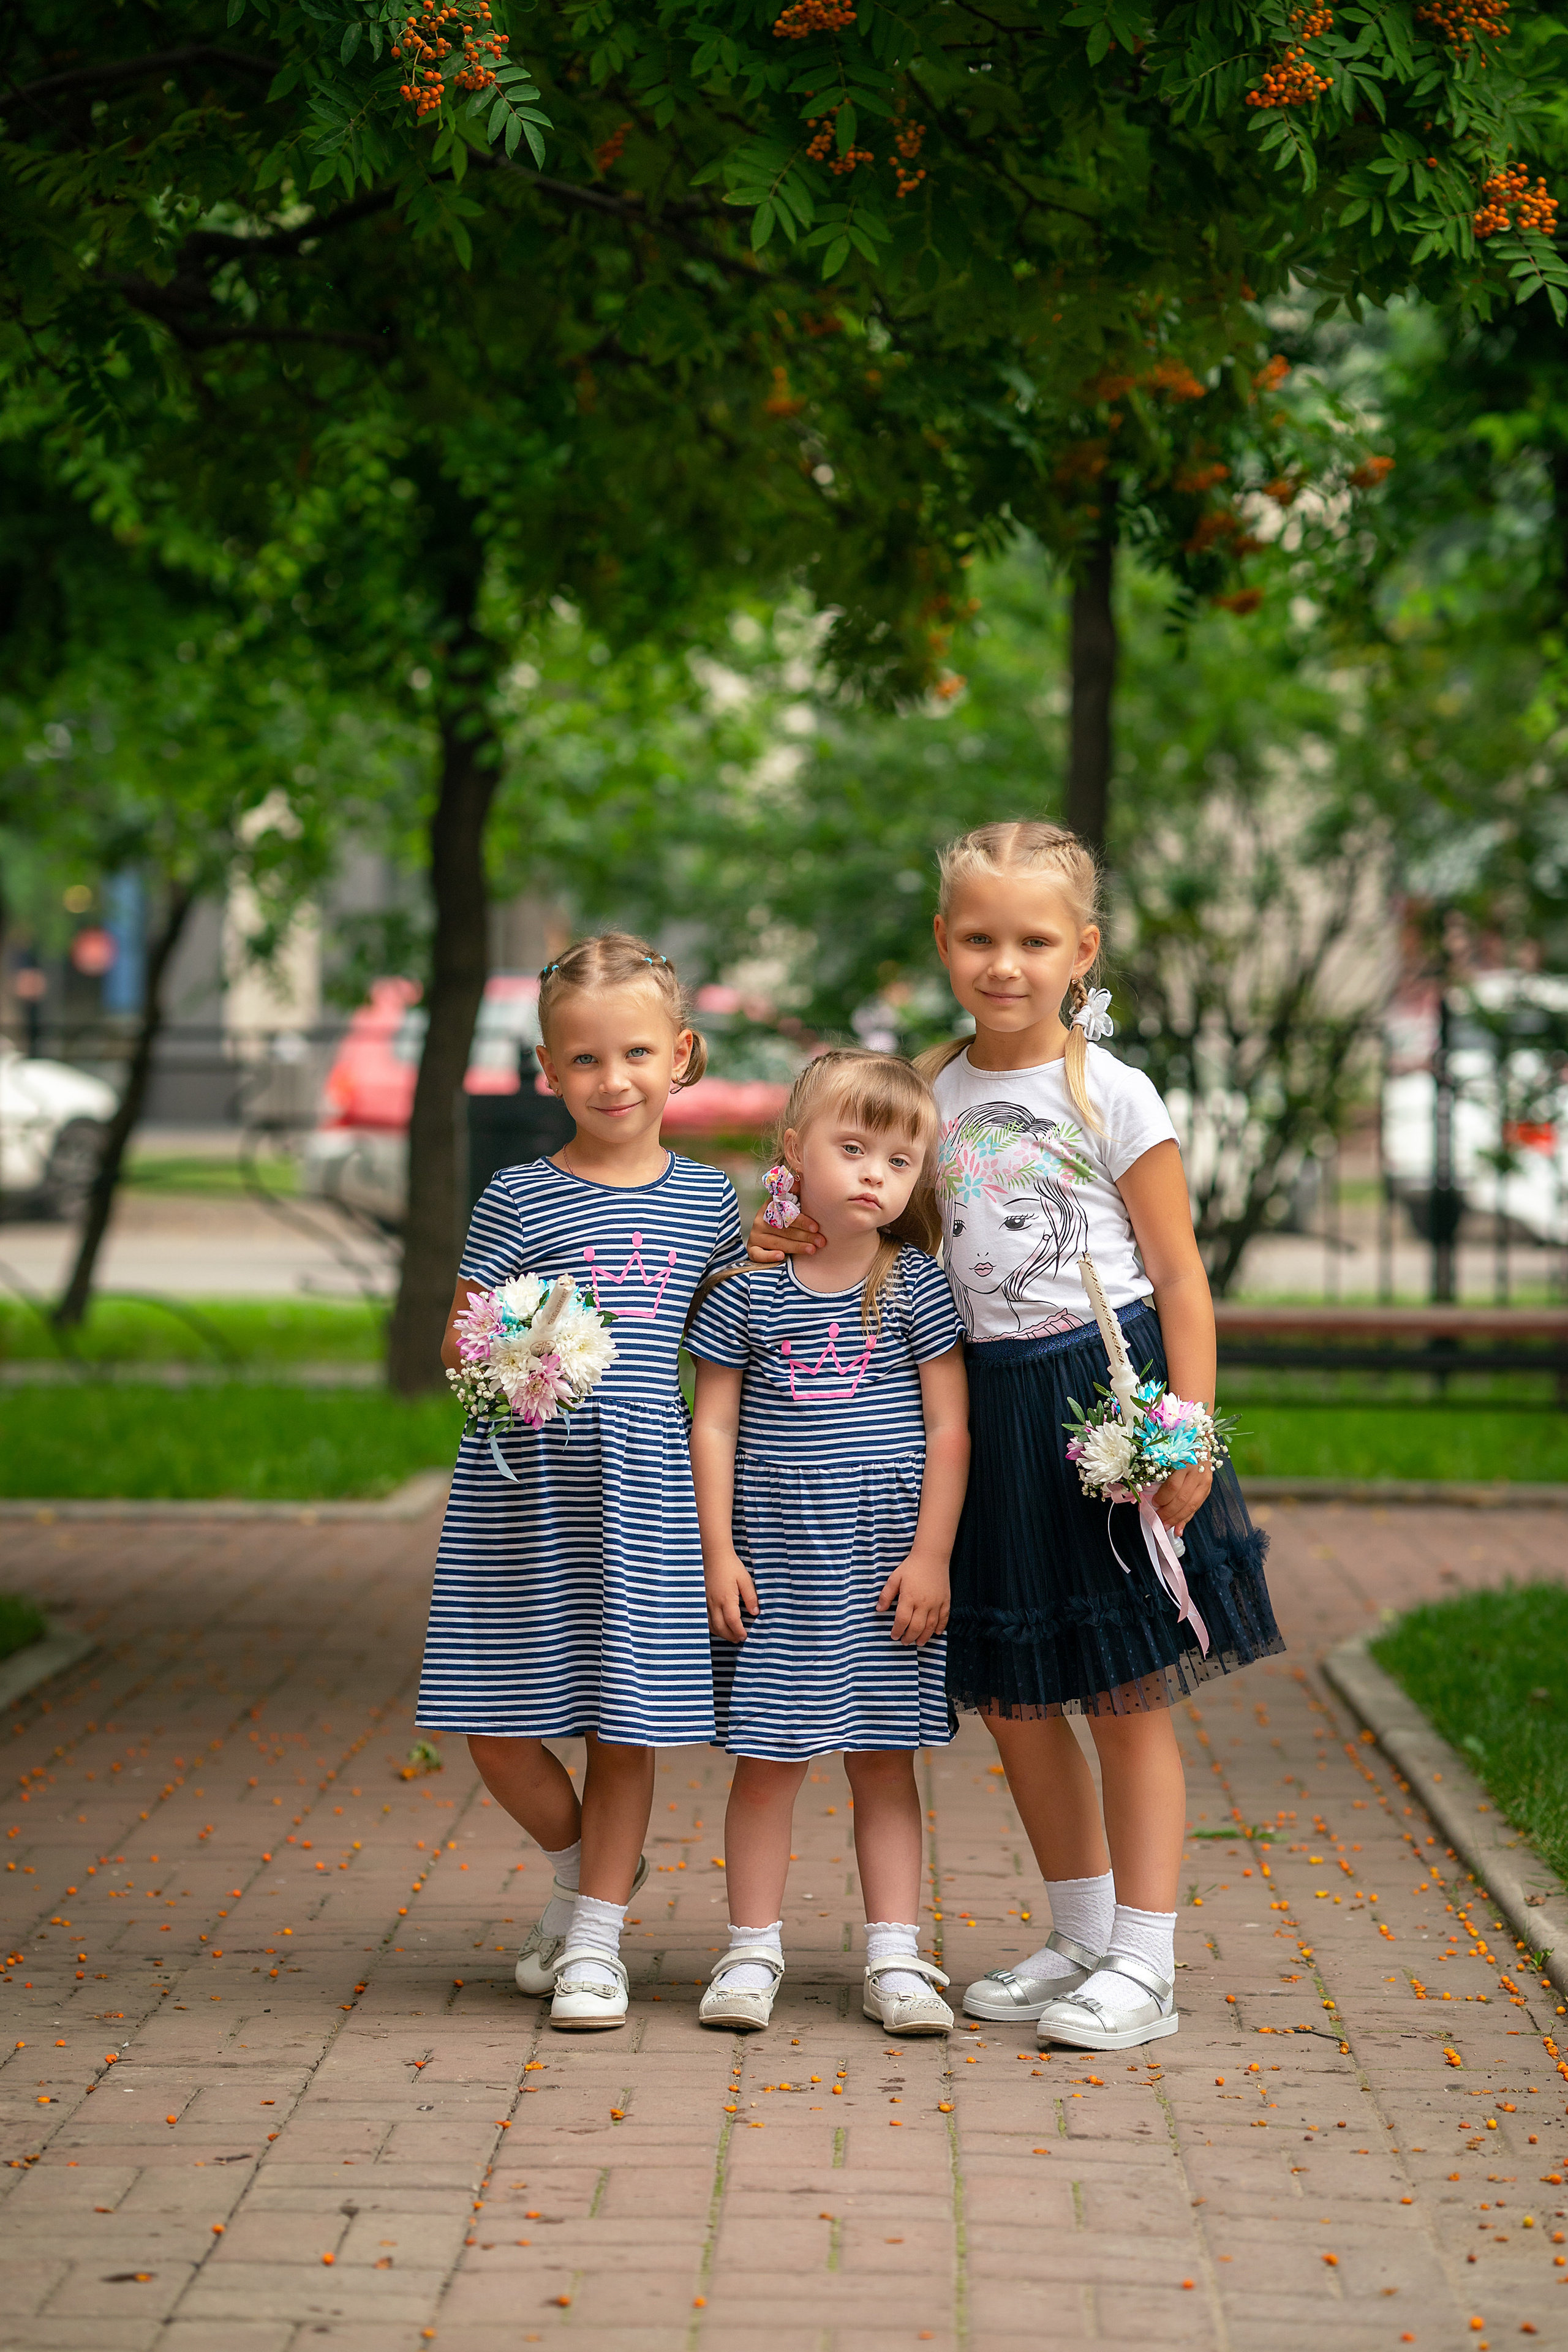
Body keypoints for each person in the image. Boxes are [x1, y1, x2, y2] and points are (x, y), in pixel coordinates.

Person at [748, 822, 1282, 2053]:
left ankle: (1145, 1962)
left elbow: (1179, 1274)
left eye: (1034, 942)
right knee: (1019, 1698)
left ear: (1080, 953)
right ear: (943, 943)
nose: (1005, 964)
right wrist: (786, 1235)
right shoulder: (925, 1091)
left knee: (1123, 1688)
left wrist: (1185, 1429)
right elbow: (871, 1224)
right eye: (979, 938)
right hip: (978, 1405)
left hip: (1100, 1395)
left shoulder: (1112, 1092)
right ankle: (1081, 1934)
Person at [415, 932, 745, 2032]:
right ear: (548, 1070)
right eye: (587, 1059)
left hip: (646, 1498)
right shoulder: (517, 1196)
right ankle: (582, 1869)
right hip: (524, 1499)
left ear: (680, 1056)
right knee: (492, 1719)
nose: (614, 1080)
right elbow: (459, 1340)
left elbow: (732, 1358)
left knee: (625, 1721)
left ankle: (596, 1942)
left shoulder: (710, 1204)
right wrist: (518, 1350)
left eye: (637, 1053)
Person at [685, 1050, 970, 2035]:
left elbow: (950, 1430)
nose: (874, 1175)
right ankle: (749, 1952)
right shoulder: (743, 1291)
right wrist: (717, 1553)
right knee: (768, 1760)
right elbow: (712, 1425)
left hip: (884, 1566)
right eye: (852, 1149)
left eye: (899, 1161)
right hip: (777, 1565)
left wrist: (932, 1556)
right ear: (793, 1152)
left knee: (885, 1760)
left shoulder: (917, 1285)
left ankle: (894, 1957)